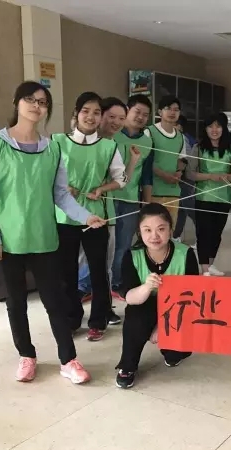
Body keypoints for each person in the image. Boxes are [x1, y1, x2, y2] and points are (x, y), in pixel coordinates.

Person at [0, 81, 106, 384]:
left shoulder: (53, 148)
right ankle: (27, 355)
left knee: (55, 300)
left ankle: (68, 360)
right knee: (16, 302)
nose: (37, 106)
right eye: (30, 99)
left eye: (43, 102)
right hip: (7, 240)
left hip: (44, 237)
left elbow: (60, 194)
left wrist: (86, 216)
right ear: (16, 102)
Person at [54, 92, 128, 342]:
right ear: (76, 114)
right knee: (67, 272)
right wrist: (62, 188)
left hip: (96, 218)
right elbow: (46, 175)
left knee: (99, 271)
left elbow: (121, 179)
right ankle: (72, 318)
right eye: (86, 111)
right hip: (64, 217)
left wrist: (102, 189)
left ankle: (98, 320)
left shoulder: (108, 147)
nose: (91, 116)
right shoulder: (57, 142)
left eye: (97, 112)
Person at [115, 203, 199, 389]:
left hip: (177, 307)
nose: (154, 236)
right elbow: (130, 297)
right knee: (135, 318)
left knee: (175, 355)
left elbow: (192, 298)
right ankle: (127, 366)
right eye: (147, 230)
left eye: (161, 229)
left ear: (170, 229)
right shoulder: (132, 255)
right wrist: (146, 287)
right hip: (144, 304)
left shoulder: (185, 254)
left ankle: (171, 349)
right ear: (139, 232)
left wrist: (161, 327)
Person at [77, 97, 140, 325]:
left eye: (121, 118)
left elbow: (121, 180)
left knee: (105, 264)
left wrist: (133, 160)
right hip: (75, 214)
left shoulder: (112, 146)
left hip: (105, 213)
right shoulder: (76, 142)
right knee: (78, 263)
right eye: (111, 116)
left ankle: (103, 309)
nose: (116, 122)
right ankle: (73, 310)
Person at [111, 95, 154, 294]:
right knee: (104, 245)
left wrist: (147, 204)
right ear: (127, 110)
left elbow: (146, 175)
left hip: (130, 199)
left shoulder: (147, 142)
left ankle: (117, 282)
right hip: (108, 198)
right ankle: (90, 284)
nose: (141, 117)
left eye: (145, 114)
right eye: (137, 112)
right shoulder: (112, 135)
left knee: (124, 244)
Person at [186, 113, 231, 276]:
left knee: (217, 234)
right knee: (203, 233)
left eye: (218, 126)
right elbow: (190, 173)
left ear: (224, 128)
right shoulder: (198, 148)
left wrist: (229, 177)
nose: (214, 130)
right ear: (205, 129)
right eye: (210, 126)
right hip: (204, 197)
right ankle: (204, 269)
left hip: (224, 198)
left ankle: (211, 263)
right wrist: (210, 176)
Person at [143, 95, 187, 225]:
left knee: (169, 229)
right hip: (152, 191)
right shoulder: (149, 132)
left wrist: (179, 172)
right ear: (160, 112)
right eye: (168, 108)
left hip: (173, 192)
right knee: (153, 228)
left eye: (176, 109)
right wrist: (163, 175)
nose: (172, 112)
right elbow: (144, 162)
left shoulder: (180, 137)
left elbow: (181, 160)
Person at [172, 115, 198, 243]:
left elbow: (186, 158)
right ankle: (176, 236)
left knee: (188, 205)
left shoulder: (182, 138)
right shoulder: (183, 137)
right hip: (181, 176)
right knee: (181, 208)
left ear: (179, 127)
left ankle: (202, 231)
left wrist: (179, 169)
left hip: (185, 177)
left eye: (173, 124)